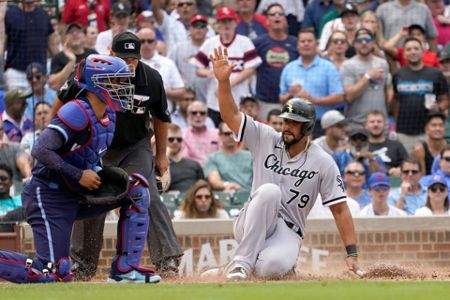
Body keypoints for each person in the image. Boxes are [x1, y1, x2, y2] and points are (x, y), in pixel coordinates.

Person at [0, 54, 161, 284]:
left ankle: (125, 270)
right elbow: (41, 150)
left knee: (136, 190)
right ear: (97, 84)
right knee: (52, 273)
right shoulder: (75, 111)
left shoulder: (110, 113)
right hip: (48, 195)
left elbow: (88, 154)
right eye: (116, 81)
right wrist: (78, 175)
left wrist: (98, 172)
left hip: (76, 192)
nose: (123, 87)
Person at [210, 46, 363, 280]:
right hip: (252, 219)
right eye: (286, 120)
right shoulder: (265, 137)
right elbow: (230, 115)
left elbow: (340, 209)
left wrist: (351, 252)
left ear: (308, 127)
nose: (287, 126)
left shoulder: (323, 161)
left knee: (268, 270)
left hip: (289, 231)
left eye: (294, 122)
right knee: (270, 191)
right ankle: (240, 263)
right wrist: (223, 83)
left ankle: (235, 268)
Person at [53, 32, 183, 279]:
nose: (129, 64)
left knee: (147, 195)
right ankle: (83, 265)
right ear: (111, 54)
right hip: (95, 146)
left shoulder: (151, 78)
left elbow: (161, 118)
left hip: (135, 146)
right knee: (92, 198)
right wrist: (56, 138)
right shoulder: (90, 71)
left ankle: (168, 260)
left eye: (133, 58)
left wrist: (162, 155)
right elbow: (61, 101)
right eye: (124, 58)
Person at [194, 6, 262, 126]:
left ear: (236, 23)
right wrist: (209, 72)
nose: (226, 25)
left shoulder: (245, 42)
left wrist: (226, 85)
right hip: (214, 102)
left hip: (240, 102)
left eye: (229, 21)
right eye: (223, 21)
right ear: (218, 24)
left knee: (238, 137)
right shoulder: (210, 43)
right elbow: (198, 69)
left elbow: (250, 69)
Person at [279, 28, 344, 138]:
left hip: (322, 124)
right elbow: (281, 99)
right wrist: (290, 95)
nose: (306, 44)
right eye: (303, 41)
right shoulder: (289, 68)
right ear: (297, 46)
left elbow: (339, 97)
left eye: (309, 41)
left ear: (316, 44)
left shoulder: (329, 67)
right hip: (296, 124)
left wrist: (313, 100)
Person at [391, 37, 449, 153]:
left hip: (428, 131)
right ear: (404, 54)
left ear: (423, 51)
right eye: (409, 49)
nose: (413, 52)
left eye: (416, 48)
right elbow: (396, 101)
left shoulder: (435, 74)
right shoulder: (398, 74)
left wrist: (438, 107)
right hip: (404, 131)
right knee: (408, 168)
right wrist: (397, 121)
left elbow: (446, 99)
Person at [253, 3, 298, 118]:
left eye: (280, 14)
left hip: (290, 101)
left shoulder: (295, 43)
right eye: (273, 14)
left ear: (285, 19)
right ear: (267, 20)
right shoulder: (258, 43)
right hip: (265, 102)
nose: (277, 16)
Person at [340, 28, 389, 129]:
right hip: (356, 124)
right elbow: (349, 96)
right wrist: (368, 77)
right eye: (359, 40)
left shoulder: (383, 64)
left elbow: (385, 92)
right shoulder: (347, 65)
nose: (363, 43)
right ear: (354, 44)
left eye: (367, 40)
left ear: (373, 43)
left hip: (380, 124)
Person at [4, 0, 57, 90]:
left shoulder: (44, 15)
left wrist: (58, 67)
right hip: (16, 73)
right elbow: (3, 44)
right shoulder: (9, 14)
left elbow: (52, 46)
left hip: (39, 73)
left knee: (42, 104)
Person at [138, 27, 185, 108]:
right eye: (142, 41)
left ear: (155, 43)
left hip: (162, 114)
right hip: (137, 114)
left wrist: (159, 91)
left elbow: (181, 92)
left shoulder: (168, 63)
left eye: (150, 41)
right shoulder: (131, 63)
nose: (146, 44)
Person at [169, 14, 209, 103]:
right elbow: (170, 69)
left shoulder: (213, 47)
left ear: (207, 30)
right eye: (195, 26)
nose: (199, 29)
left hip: (208, 94)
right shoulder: (178, 48)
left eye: (202, 26)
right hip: (184, 96)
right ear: (190, 29)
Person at [204, 122, 253, 194]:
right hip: (226, 197)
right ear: (220, 135)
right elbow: (214, 180)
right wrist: (227, 185)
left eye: (234, 133)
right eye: (227, 134)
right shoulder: (212, 158)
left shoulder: (251, 156)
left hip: (251, 196)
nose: (231, 136)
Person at [49, 23, 98, 91]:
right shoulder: (58, 58)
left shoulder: (93, 55)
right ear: (66, 38)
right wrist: (71, 61)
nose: (74, 34)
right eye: (70, 32)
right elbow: (54, 85)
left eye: (78, 31)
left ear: (84, 36)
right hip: (68, 98)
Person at [365, 111, 408, 177]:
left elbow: (408, 165)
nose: (376, 124)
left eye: (379, 122)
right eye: (372, 122)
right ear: (366, 125)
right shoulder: (360, 147)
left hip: (392, 182)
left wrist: (400, 169)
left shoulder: (396, 145)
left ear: (385, 125)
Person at [167, 123, 204, 192]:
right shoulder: (158, 166)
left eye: (179, 139)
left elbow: (203, 188)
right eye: (171, 139)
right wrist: (166, 156)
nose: (175, 142)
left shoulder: (194, 164)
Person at [182, 101, 221, 166]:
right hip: (192, 170)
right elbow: (184, 158)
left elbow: (222, 156)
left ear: (206, 116)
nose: (198, 115)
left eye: (202, 113)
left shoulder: (217, 134)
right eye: (194, 113)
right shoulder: (182, 134)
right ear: (188, 115)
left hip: (214, 168)